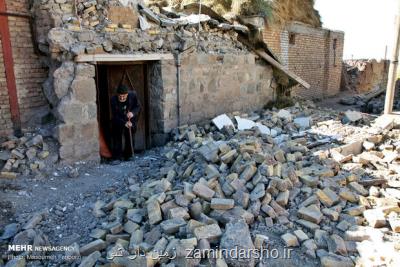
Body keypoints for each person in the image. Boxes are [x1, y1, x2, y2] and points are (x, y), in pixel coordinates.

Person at [110, 85, 141, 162]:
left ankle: (129, 155)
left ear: (127, 94)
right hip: (119, 119)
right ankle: (117, 157)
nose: (122, 98)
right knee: (117, 136)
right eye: (120, 96)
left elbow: (138, 107)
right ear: (117, 94)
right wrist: (124, 123)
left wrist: (132, 113)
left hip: (130, 118)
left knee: (130, 135)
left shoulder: (133, 95)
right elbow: (115, 116)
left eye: (124, 96)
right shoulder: (113, 100)